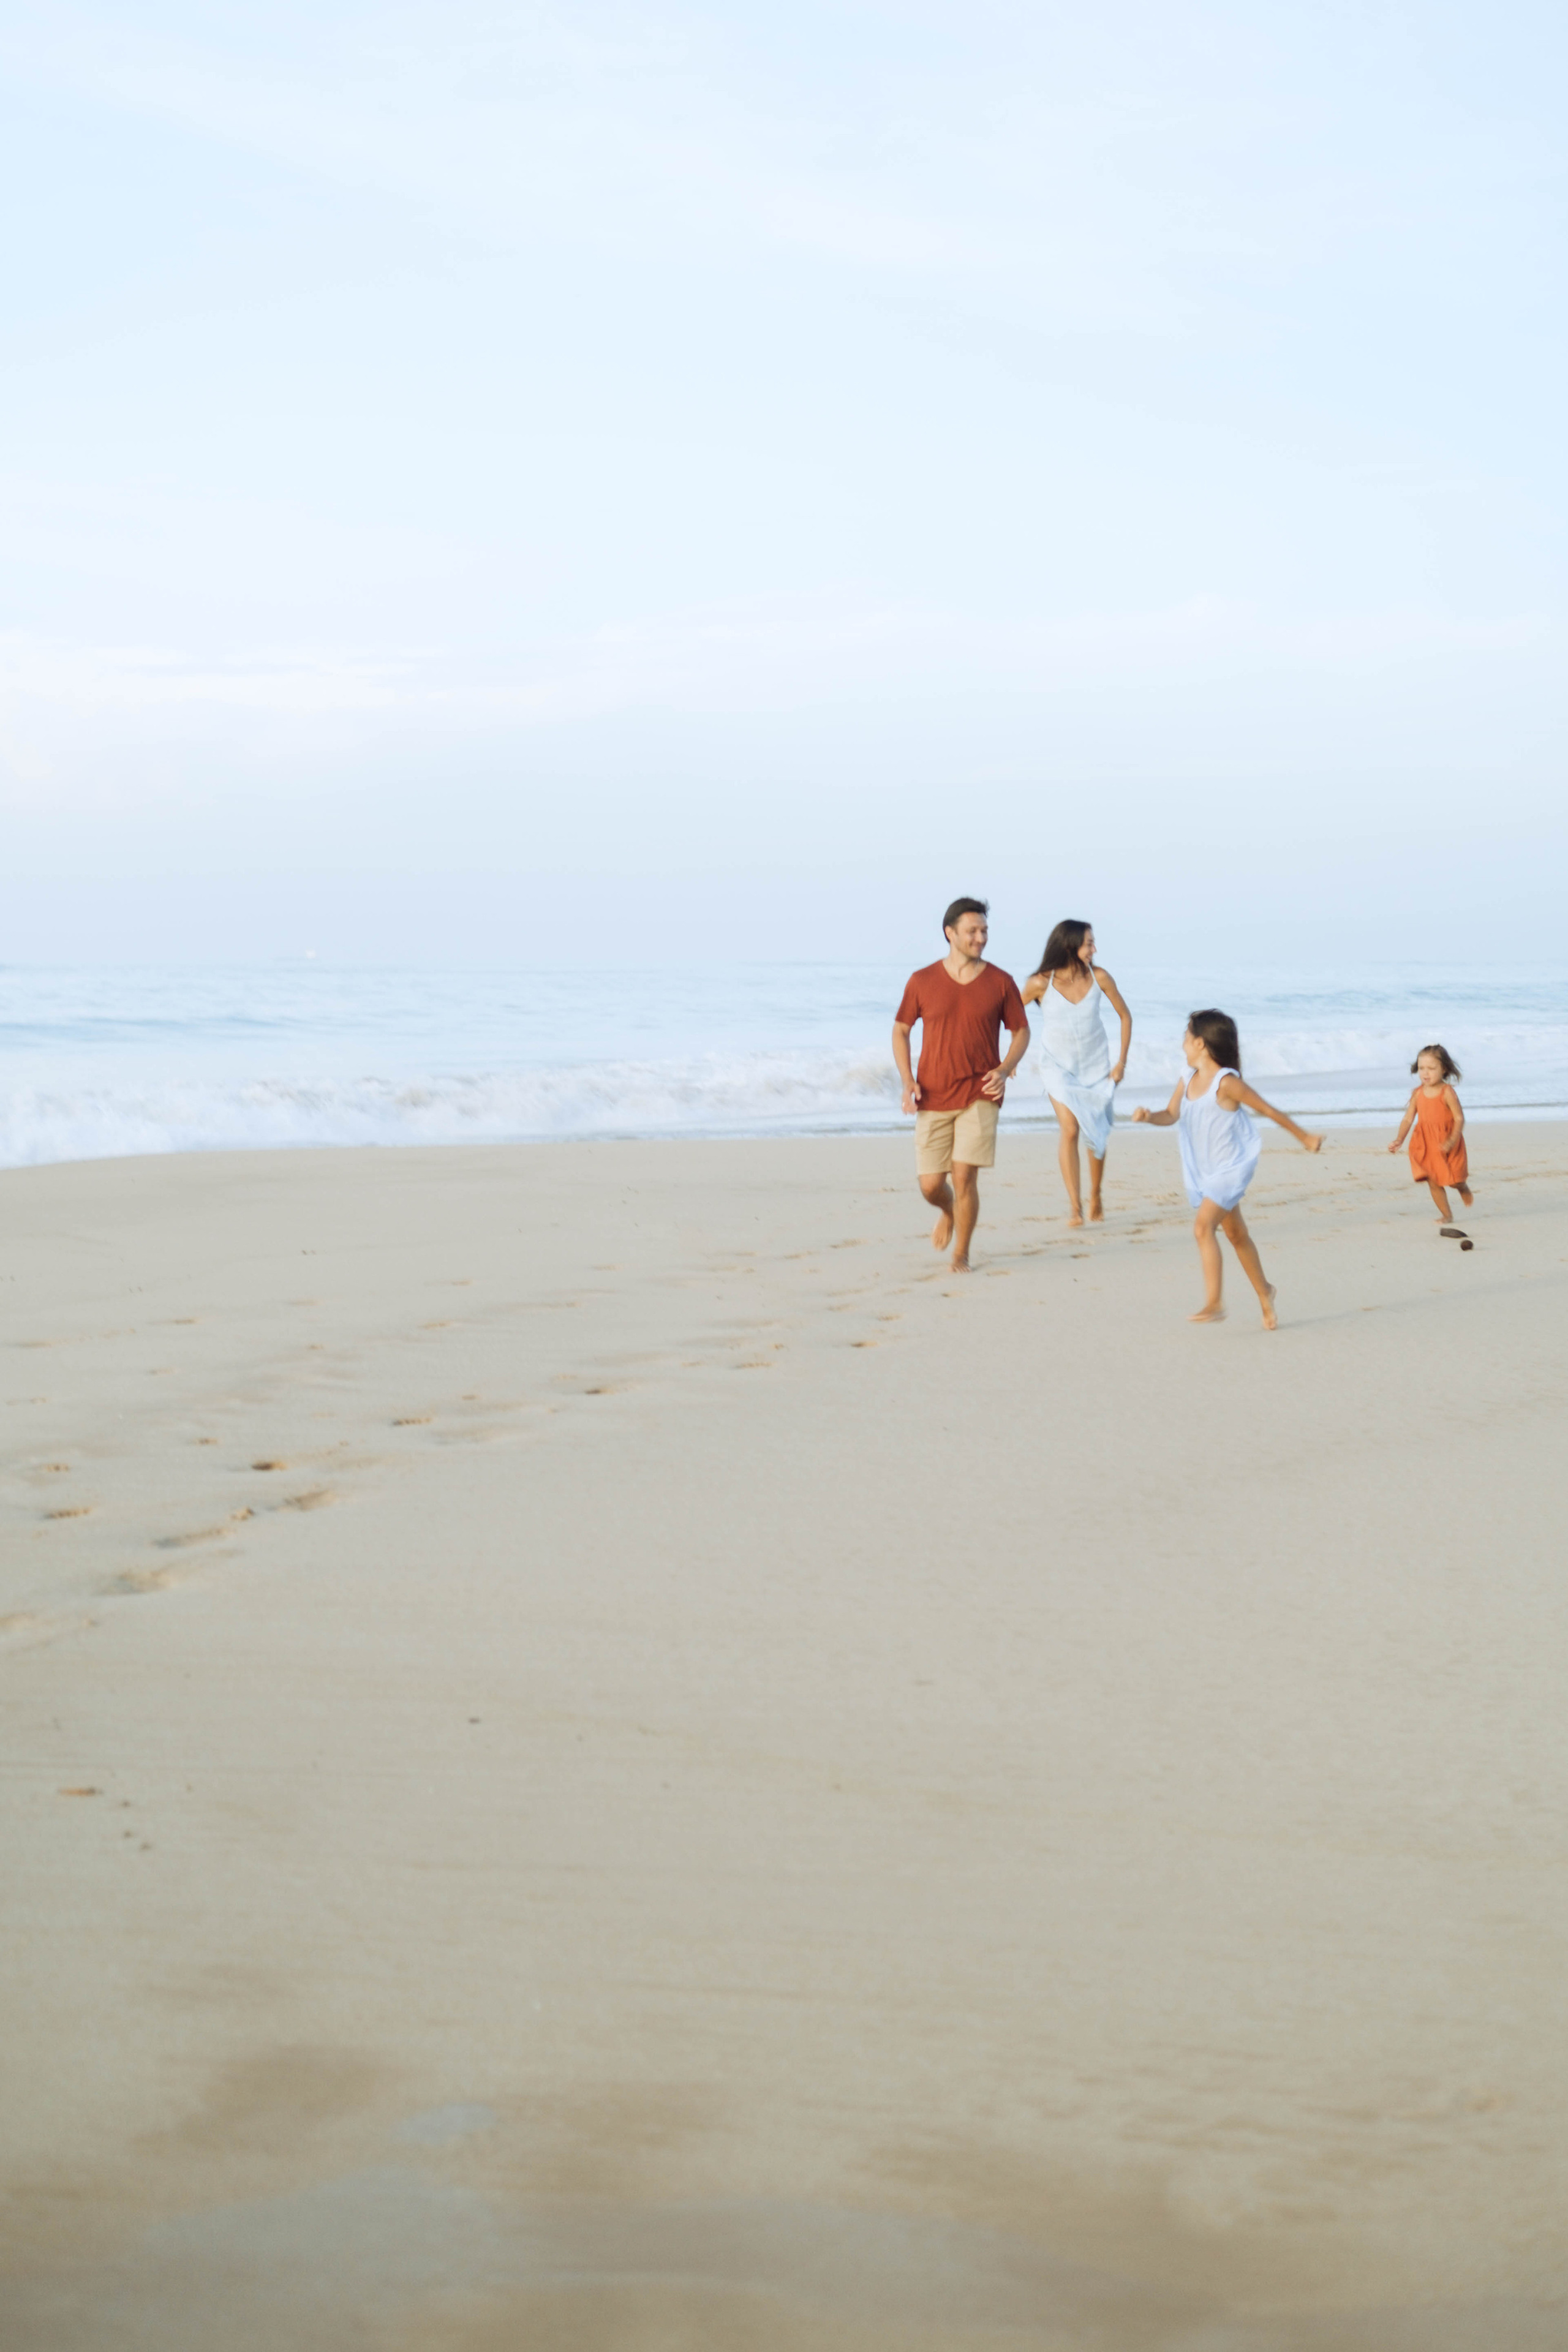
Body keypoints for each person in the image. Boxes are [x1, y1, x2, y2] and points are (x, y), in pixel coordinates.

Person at [1133, 1009, 1323, 1328]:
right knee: (1236, 1234)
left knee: (1202, 1228)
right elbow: (1171, 1113)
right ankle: (1266, 1293)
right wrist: (1149, 1116)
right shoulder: (1188, 1077)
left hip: (1230, 1168)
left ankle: (1215, 1301)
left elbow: (1269, 1110)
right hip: (1205, 1170)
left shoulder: (1227, 1083)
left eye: (1186, 1035)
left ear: (1201, 1044)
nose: (1183, 1041)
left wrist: (1304, 1137)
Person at [892, 898, 1030, 1273]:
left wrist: (1004, 1070)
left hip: (980, 1093)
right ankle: (948, 1211)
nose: (981, 938)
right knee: (931, 1185)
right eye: (973, 931)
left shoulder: (1001, 982)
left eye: (984, 931)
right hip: (933, 1093)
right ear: (950, 933)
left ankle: (962, 1254)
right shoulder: (922, 981)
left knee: (965, 1175)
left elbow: (1021, 1031)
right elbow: (901, 1030)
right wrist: (908, 1082)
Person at [1019, 919, 1132, 1226]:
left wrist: (1121, 1062)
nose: (1094, 949)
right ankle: (1075, 1206)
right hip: (1057, 1066)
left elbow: (1125, 1016)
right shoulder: (1040, 983)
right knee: (1070, 1129)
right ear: (1070, 946)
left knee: (1096, 1134)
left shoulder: (1101, 978)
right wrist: (1009, 1061)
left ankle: (1095, 1194)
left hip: (1096, 1067)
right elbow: (1013, 1019)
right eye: (1089, 944)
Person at [1388, 1045, 1474, 1241]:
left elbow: (1459, 1118)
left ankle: (1463, 1187)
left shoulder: (1447, 1092)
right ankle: (1447, 1214)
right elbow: (1409, 1119)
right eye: (1421, 1068)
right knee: (1433, 1180)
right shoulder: (1418, 1093)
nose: (1425, 1073)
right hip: (1426, 1143)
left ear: (1444, 1069)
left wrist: (1452, 1139)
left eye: (1431, 1068)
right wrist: (1400, 1139)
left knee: (1454, 1179)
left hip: (1448, 1141)